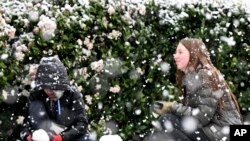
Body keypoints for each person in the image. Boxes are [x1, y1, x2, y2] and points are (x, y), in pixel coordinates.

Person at [151, 38, 242, 141]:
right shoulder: (192, 78)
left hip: (225, 134)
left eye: (180, 52)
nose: (175, 56)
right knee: (169, 122)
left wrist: (172, 107)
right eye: (176, 52)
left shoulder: (204, 75)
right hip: (216, 132)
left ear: (193, 54)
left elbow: (202, 117)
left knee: (168, 121)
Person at [20, 56, 93, 141]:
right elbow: (27, 124)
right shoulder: (36, 96)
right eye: (45, 88)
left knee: (87, 139)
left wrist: (63, 137)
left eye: (52, 88)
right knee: (35, 105)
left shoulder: (73, 94)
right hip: (45, 135)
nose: (49, 91)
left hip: (68, 135)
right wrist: (28, 136)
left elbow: (82, 124)